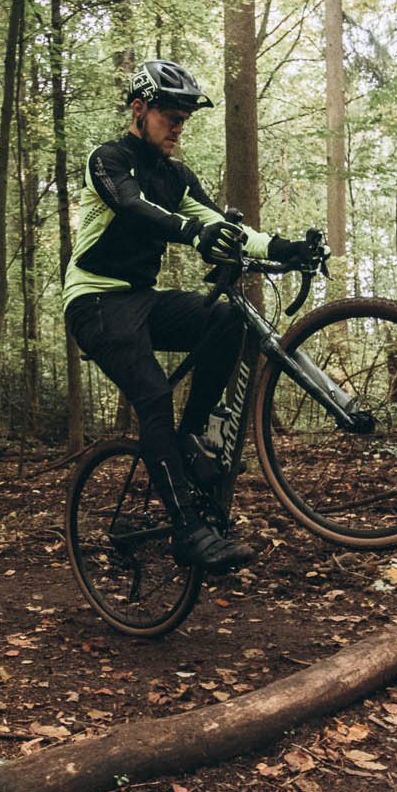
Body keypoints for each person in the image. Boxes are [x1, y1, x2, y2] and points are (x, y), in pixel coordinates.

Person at [64, 59, 319, 574]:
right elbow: (134, 207)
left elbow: (218, 224)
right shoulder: (108, 160)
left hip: (140, 299)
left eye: (184, 118)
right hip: (94, 302)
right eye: (169, 116)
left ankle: (189, 435)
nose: (178, 126)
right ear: (139, 110)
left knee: (226, 319)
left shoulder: (177, 176)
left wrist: (286, 248)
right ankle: (187, 532)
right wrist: (193, 234)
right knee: (153, 396)